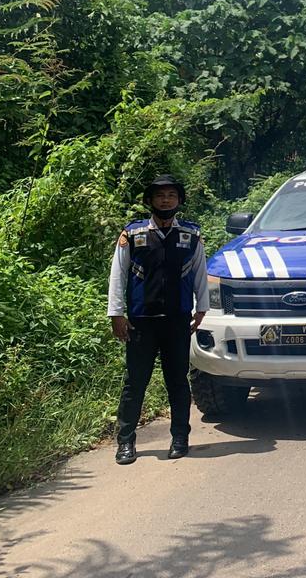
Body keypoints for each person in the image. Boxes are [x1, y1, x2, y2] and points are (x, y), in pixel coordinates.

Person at [107, 174, 209, 464]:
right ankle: (125, 441)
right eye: (160, 195)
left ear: (179, 201)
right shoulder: (133, 234)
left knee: (177, 380)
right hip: (141, 320)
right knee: (134, 382)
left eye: (171, 195)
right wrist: (116, 314)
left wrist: (201, 308)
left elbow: (200, 274)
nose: (166, 200)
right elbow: (118, 275)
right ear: (150, 200)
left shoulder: (191, 235)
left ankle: (180, 437)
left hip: (178, 320)